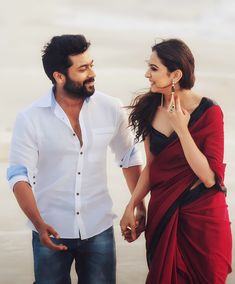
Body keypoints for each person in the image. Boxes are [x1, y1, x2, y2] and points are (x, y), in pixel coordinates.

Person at [7, 34, 146, 284]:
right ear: (59, 76)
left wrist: (139, 205)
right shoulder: (30, 119)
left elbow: (128, 157)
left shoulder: (111, 108)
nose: (92, 73)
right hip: (50, 228)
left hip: (98, 228)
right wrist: (38, 224)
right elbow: (18, 175)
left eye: (91, 65)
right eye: (83, 69)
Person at [120, 38, 232, 283]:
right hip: (164, 212)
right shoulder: (150, 109)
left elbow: (209, 177)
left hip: (203, 217)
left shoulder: (210, 113)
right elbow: (152, 167)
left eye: (154, 68)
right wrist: (133, 204)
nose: (147, 74)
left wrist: (182, 129)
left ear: (175, 75)